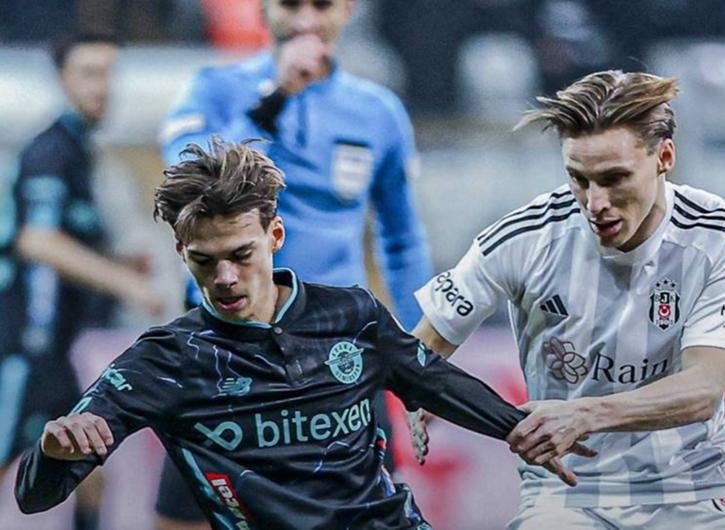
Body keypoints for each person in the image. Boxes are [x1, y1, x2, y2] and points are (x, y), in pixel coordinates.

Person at [14, 139, 578, 530]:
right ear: (181, 252)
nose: (225, 277)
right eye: (205, 261)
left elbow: (434, 381)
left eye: (241, 255)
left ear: (275, 236)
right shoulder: (164, 361)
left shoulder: (351, 315)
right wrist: (52, 452)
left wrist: (521, 428)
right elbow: (34, 497)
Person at [409, 71, 725, 529]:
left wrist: (583, 415)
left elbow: (703, 389)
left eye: (614, 178)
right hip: (568, 493)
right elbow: (417, 351)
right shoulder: (523, 238)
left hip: (698, 486)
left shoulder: (717, 232)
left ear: (664, 157)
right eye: (579, 179)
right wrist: (423, 390)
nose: (595, 202)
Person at [158, 1, 432, 526]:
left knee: (364, 514)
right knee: (186, 518)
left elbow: (401, 240)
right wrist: (276, 97)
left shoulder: (377, 111)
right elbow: (184, 180)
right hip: (228, 345)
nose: (306, 18)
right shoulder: (215, 89)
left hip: (339, 350)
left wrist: (422, 351)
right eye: (290, 3)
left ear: (347, 10)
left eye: (321, 4)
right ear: (264, 8)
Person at [0, 31, 162, 530]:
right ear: (63, 79)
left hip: (56, 347)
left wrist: (117, 260)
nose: (102, 86)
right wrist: (125, 283)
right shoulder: (50, 151)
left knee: (88, 467)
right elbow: (37, 241)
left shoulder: (79, 151)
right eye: (89, 73)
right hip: (24, 342)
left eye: (109, 73)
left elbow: (65, 238)